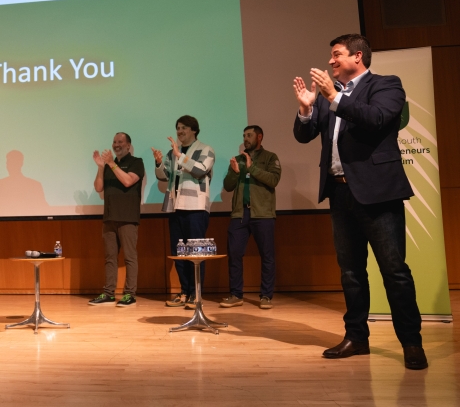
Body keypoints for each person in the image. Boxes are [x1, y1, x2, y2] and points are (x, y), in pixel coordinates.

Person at [293, 34, 427, 370]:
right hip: (339, 193)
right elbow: (305, 135)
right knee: (351, 272)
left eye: (336, 55)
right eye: (330, 56)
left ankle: (411, 342)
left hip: (378, 191)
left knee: (394, 271)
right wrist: (307, 108)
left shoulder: (386, 85)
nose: (331, 61)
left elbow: (378, 119)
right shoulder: (326, 97)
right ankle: (357, 338)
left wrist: (333, 97)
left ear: (358, 56)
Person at [152, 115, 215, 309]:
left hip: (195, 207)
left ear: (194, 130)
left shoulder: (206, 149)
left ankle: (196, 295)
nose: (179, 131)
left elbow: (201, 169)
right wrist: (159, 163)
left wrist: (180, 156)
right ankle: (185, 292)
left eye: (183, 128)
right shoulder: (174, 153)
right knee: (179, 254)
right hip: (176, 206)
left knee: (195, 254)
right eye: (178, 128)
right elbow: (166, 177)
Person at [221, 125, 281, 309]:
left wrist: (252, 168)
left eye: (249, 135)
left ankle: (266, 296)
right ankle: (236, 294)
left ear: (259, 137)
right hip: (240, 213)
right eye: (244, 136)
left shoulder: (270, 157)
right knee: (234, 254)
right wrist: (234, 172)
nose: (245, 139)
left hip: (262, 213)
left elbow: (273, 180)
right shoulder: (238, 159)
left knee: (267, 256)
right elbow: (228, 186)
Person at [88, 133, 145, 307]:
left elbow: (128, 181)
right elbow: (99, 187)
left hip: (127, 217)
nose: (116, 144)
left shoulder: (136, 162)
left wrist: (111, 164)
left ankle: (130, 294)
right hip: (110, 217)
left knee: (129, 257)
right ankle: (108, 293)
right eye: (114, 142)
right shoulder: (108, 166)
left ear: (128, 145)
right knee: (110, 257)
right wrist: (100, 167)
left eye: (120, 142)